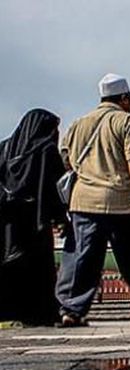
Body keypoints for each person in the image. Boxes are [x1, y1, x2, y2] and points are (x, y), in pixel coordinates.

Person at [56, 74, 130, 327]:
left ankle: (72, 310)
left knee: (81, 259)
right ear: (124, 99)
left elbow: (66, 162)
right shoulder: (129, 122)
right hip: (122, 202)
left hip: (84, 202)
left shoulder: (78, 124)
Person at [0, 109, 67, 326]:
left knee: (10, 265)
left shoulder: (4, 148)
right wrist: (60, 219)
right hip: (34, 221)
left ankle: (8, 312)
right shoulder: (46, 151)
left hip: (8, 221)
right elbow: (53, 189)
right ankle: (39, 314)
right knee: (37, 270)